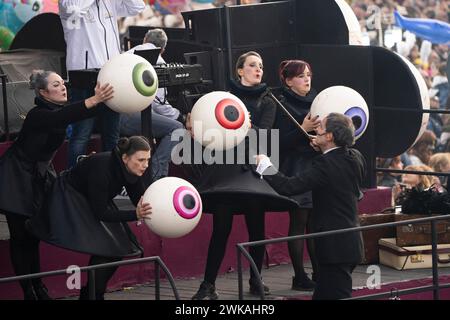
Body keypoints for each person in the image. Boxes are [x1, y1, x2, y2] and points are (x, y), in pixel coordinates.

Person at [191, 51, 298, 300]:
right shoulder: (226, 97)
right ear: (240, 71)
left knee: (256, 228)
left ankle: (255, 279)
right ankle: (208, 285)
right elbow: (210, 127)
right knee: (221, 228)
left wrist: (245, 127)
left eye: (260, 66)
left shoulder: (268, 101)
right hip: (226, 167)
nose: (258, 69)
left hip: (252, 168)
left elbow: (264, 133)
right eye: (252, 65)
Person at [0, 70, 113, 300]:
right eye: (56, 84)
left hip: (40, 175)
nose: (63, 88)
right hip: (16, 176)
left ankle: (39, 286)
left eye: (63, 83)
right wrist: (92, 99)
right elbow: (64, 117)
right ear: (43, 92)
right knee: (20, 236)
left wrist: (112, 99)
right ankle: (28, 291)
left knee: (34, 235)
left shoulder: (59, 109)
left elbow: (85, 112)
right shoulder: (38, 114)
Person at [256, 113, 365, 300]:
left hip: (335, 247)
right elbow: (338, 161)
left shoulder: (325, 164)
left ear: (330, 136)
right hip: (350, 243)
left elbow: (289, 187)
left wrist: (265, 166)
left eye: (320, 128)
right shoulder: (355, 157)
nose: (316, 132)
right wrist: (323, 148)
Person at [28, 136, 153, 300]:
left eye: (148, 160)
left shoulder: (132, 168)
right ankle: (93, 295)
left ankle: (91, 294)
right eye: (141, 159)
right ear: (125, 157)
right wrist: (135, 214)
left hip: (94, 199)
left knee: (117, 248)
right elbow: (100, 213)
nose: (146, 165)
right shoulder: (103, 168)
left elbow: (140, 199)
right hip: (71, 196)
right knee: (105, 247)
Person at [58, 0, 145, 168]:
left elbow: (137, 7)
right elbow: (73, 9)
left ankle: (111, 178)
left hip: (112, 75)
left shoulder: (108, 2)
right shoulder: (69, 2)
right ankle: (73, 179)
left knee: (112, 134)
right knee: (81, 134)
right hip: (83, 75)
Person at [275, 59, 320, 290]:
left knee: (314, 225)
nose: (307, 80)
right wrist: (303, 129)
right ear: (289, 80)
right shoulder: (281, 104)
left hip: (315, 167)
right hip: (296, 169)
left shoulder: (317, 102)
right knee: (299, 223)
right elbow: (279, 143)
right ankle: (299, 275)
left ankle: (318, 272)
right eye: (302, 76)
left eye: (309, 75)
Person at [120, 28, 184, 180]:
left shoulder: (125, 55)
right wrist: (180, 116)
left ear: (144, 40)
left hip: (113, 114)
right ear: (162, 49)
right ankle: (157, 174)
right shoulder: (158, 62)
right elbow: (158, 104)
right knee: (177, 129)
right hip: (129, 115)